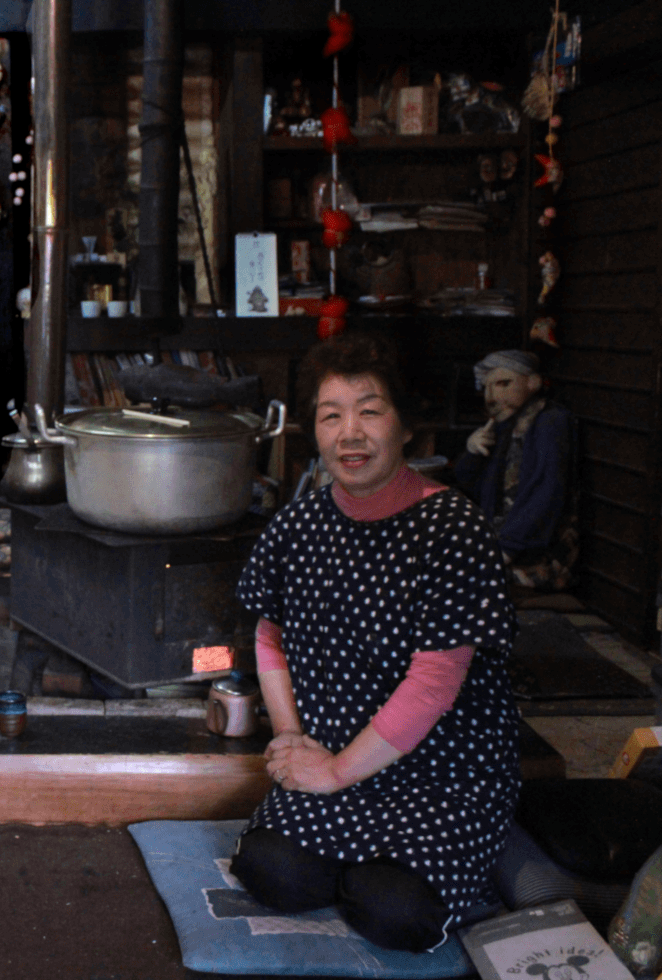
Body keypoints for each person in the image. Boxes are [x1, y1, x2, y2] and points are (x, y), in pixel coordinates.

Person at [231, 332, 520, 953]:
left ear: (406, 425)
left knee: (395, 914)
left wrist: (335, 774)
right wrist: (288, 738)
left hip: (442, 774)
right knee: (271, 873)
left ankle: (410, 865)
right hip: (331, 752)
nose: (350, 433)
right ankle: (365, 862)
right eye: (331, 415)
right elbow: (270, 636)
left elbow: (435, 683)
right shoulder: (300, 521)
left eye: (370, 410)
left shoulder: (452, 529)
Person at [453, 350, 578, 593]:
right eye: (486, 388)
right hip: (501, 540)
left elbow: (546, 491)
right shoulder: (503, 425)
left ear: (533, 382)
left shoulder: (549, 422)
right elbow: (465, 480)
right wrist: (472, 451)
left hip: (538, 553)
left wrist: (506, 550)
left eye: (503, 384)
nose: (490, 397)